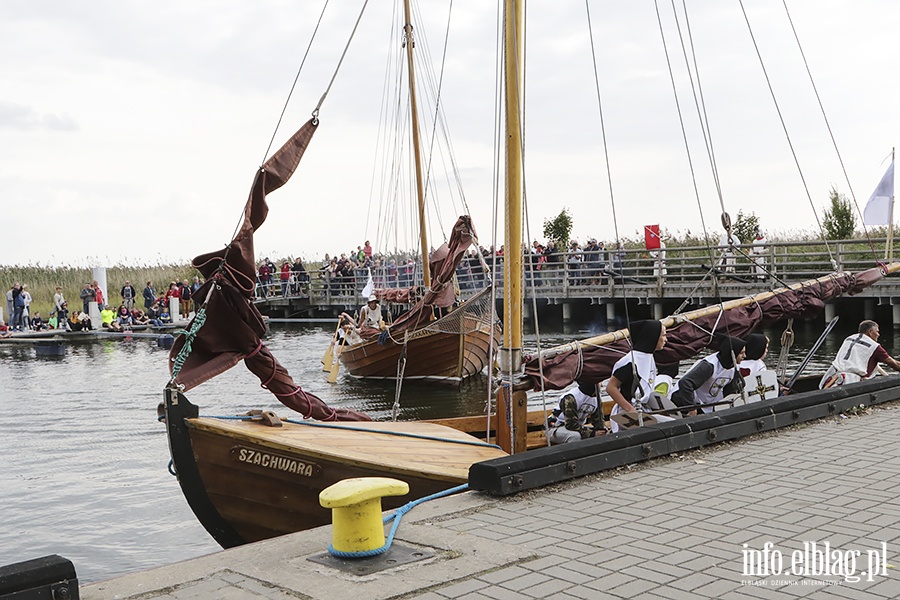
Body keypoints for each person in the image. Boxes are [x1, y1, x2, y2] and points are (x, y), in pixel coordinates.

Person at [606, 319, 669, 432]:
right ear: (653, 337)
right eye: (664, 335)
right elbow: (611, 387)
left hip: (643, 409)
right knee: (668, 426)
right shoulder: (631, 361)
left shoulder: (649, 356)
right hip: (627, 412)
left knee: (672, 424)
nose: (666, 339)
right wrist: (630, 410)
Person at [671, 336, 746, 413]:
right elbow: (685, 383)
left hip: (708, 404)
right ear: (732, 354)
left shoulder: (733, 366)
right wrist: (691, 408)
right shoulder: (709, 366)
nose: (745, 356)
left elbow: (731, 389)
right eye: (741, 353)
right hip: (685, 400)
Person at [819, 320, 900, 388]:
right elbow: (894, 364)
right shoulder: (875, 347)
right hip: (849, 382)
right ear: (870, 332)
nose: (878, 335)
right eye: (877, 332)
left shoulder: (848, 339)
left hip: (831, 376)